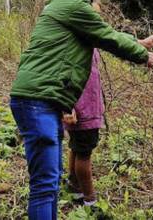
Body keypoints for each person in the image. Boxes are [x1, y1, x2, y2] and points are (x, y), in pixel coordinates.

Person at [9, 0, 153, 220]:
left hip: (42, 101)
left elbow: (104, 33)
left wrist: (137, 42)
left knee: (51, 181)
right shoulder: (74, 4)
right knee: (45, 184)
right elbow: (106, 36)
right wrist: (142, 55)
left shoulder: (64, 4)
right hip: (38, 102)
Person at [62, 49, 103, 208]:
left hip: (84, 108)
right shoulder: (77, 39)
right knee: (84, 154)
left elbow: (111, 38)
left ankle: (74, 187)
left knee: (77, 148)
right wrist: (68, 106)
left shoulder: (86, 36)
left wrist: (139, 43)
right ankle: (89, 198)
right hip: (83, 109)